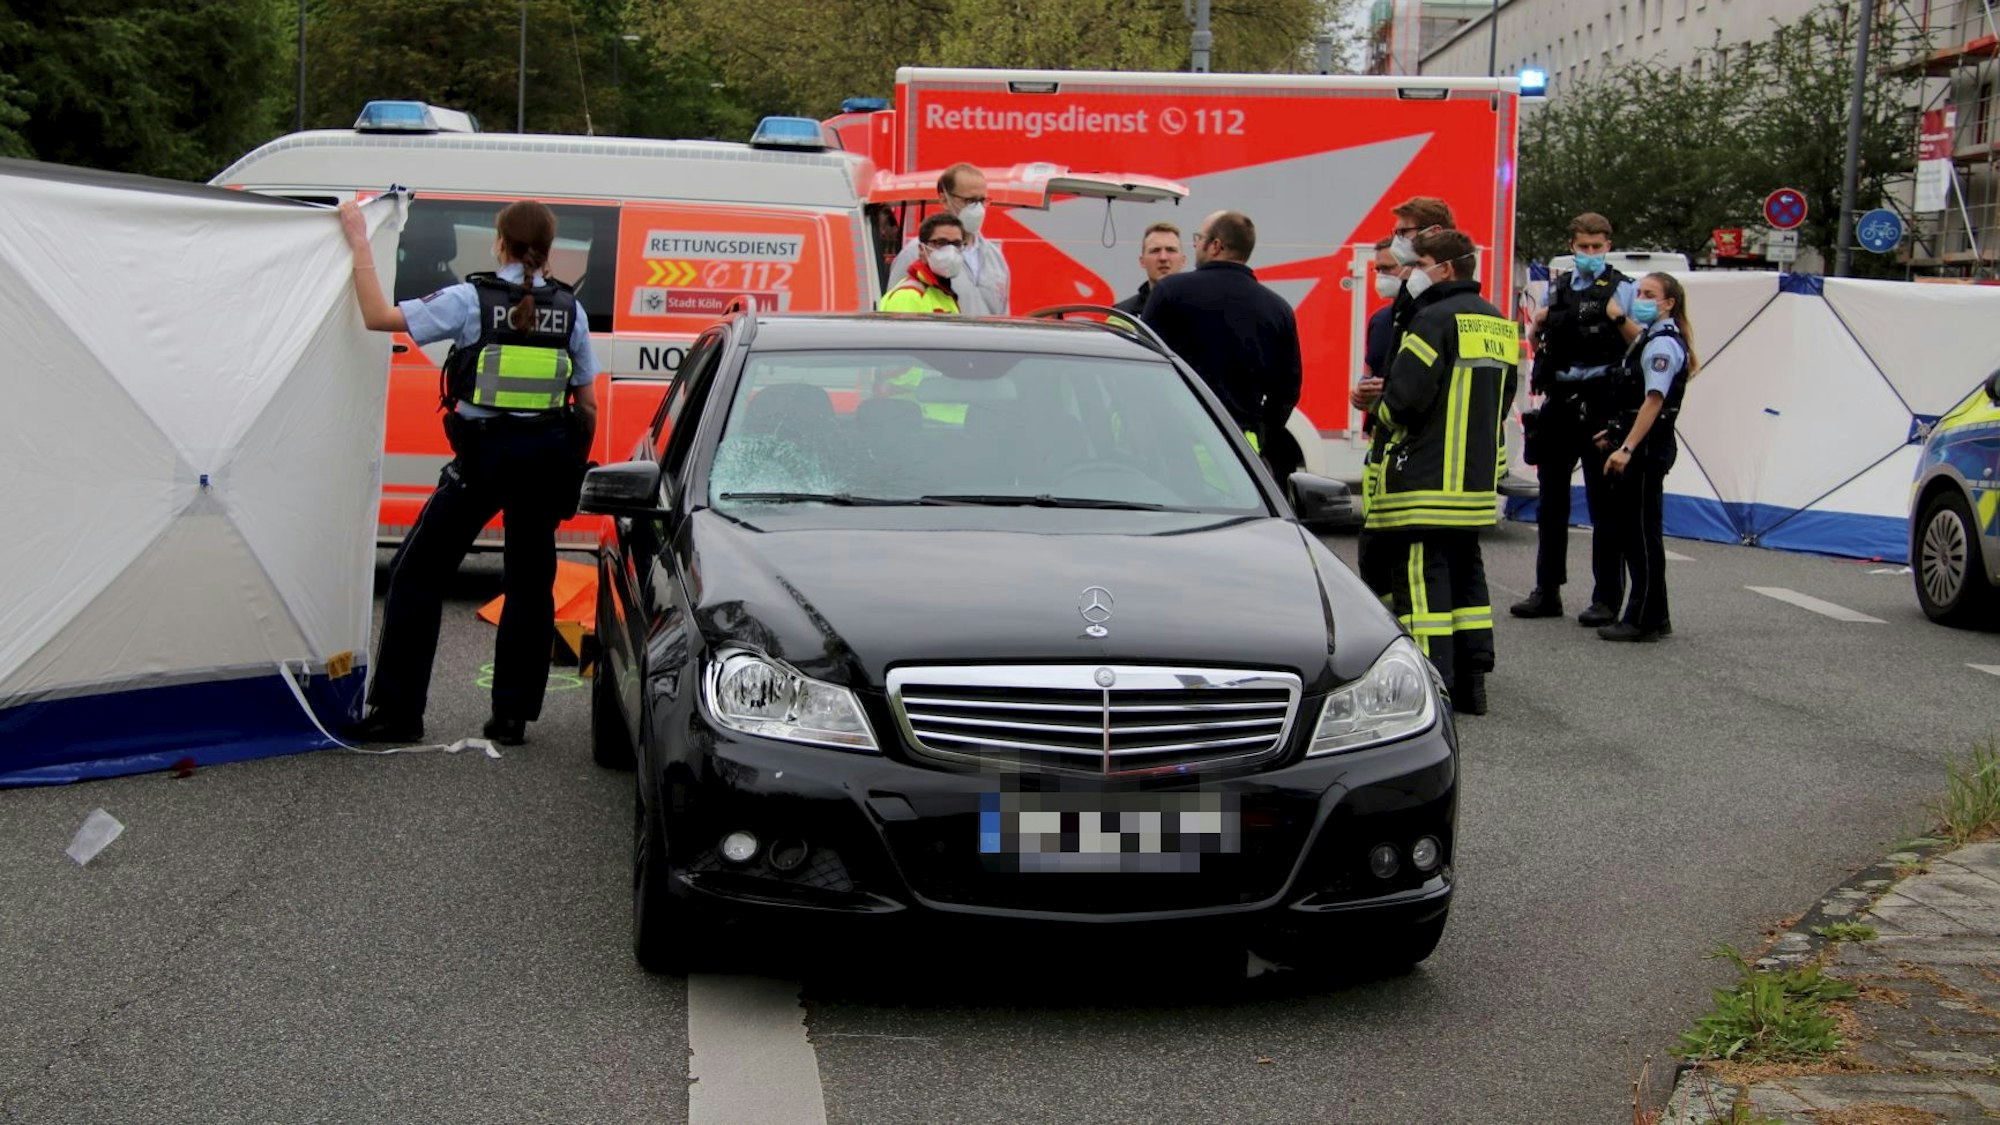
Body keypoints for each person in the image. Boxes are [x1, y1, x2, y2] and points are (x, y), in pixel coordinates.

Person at [336, 199, 599, 747]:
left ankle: (399, 713)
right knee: (530, 587)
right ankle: (512, 719)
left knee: (416, 574)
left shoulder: (469, 299)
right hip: (544, 463)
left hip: (482, 461)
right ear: (548, 250)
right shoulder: (571, 312)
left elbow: (378, 318)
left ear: (499, 244)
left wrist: (359, 241)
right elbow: (587, 405)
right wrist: (570, 470)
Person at [1366, 229, 1519, 714]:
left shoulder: (1430, 320)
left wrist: (1379, 420)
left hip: (1423, 480)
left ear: (1445, 268)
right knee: (1466, 576)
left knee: (1421, 580)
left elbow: (1405, 398)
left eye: (1419, 263)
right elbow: (1505, 395)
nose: (1409, 273)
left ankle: (1434, 686)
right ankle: (1473, 682)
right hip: (1471, 484)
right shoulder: (1497, 322)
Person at [1510, 212, 1640, 626]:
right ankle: (1546, 590)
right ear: (1572, 247)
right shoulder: (1559, 287)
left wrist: (1619, 316)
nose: (1589, 254)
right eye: (1583, 247)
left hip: (1602, 398)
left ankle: (1606, 598)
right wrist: (1536, 327)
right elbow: (1537, 340)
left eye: (1597, 248)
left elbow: (1640, 343)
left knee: (1605, 505)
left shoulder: (1624, 288)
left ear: (1608, 247)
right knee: (1551, 504)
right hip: (1560, 399)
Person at [1140, 210, 1302, 456]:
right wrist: (1260, 429)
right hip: (1240, 453)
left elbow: (1144, 366)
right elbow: (1286, 391)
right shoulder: (1278, 309)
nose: (1195, 244)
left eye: (1199, 237)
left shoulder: (1170, 292)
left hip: (1176, 444)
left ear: (1215, 246)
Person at [1594, 272, 1696, 642]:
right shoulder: (1650, 338)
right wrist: (1616, 431)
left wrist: (1626, 448)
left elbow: (1654, 401)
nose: (1641, 298)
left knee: (1640, 537)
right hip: (1645, 446)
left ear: (1669, 303)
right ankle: (1655, 614)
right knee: (1638, 533)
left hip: (1647, 451)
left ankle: (1643, 619)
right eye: (1639, 292)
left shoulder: (1662, 345)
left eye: (1650, 294)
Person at [885, 164, 1010, 315]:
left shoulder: (995, 258)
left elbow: (1003, 316)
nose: (978, 209)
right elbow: (894, 314)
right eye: (969, 201)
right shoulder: (918, 252)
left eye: (982, 200)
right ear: (944, 200)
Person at [879, 213, 965, 313]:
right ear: (921, 250)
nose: (950, 251)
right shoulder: (909, 295)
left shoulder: (942, 294)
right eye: (941, 243)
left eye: (957, 244)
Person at [1114, 222, 1186, 315]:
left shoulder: (1201, 307)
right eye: (1155, 251)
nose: (1163, 258)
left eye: (1171, 250)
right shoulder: (1123, 314)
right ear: (1142, 261)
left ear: (1183, 260)